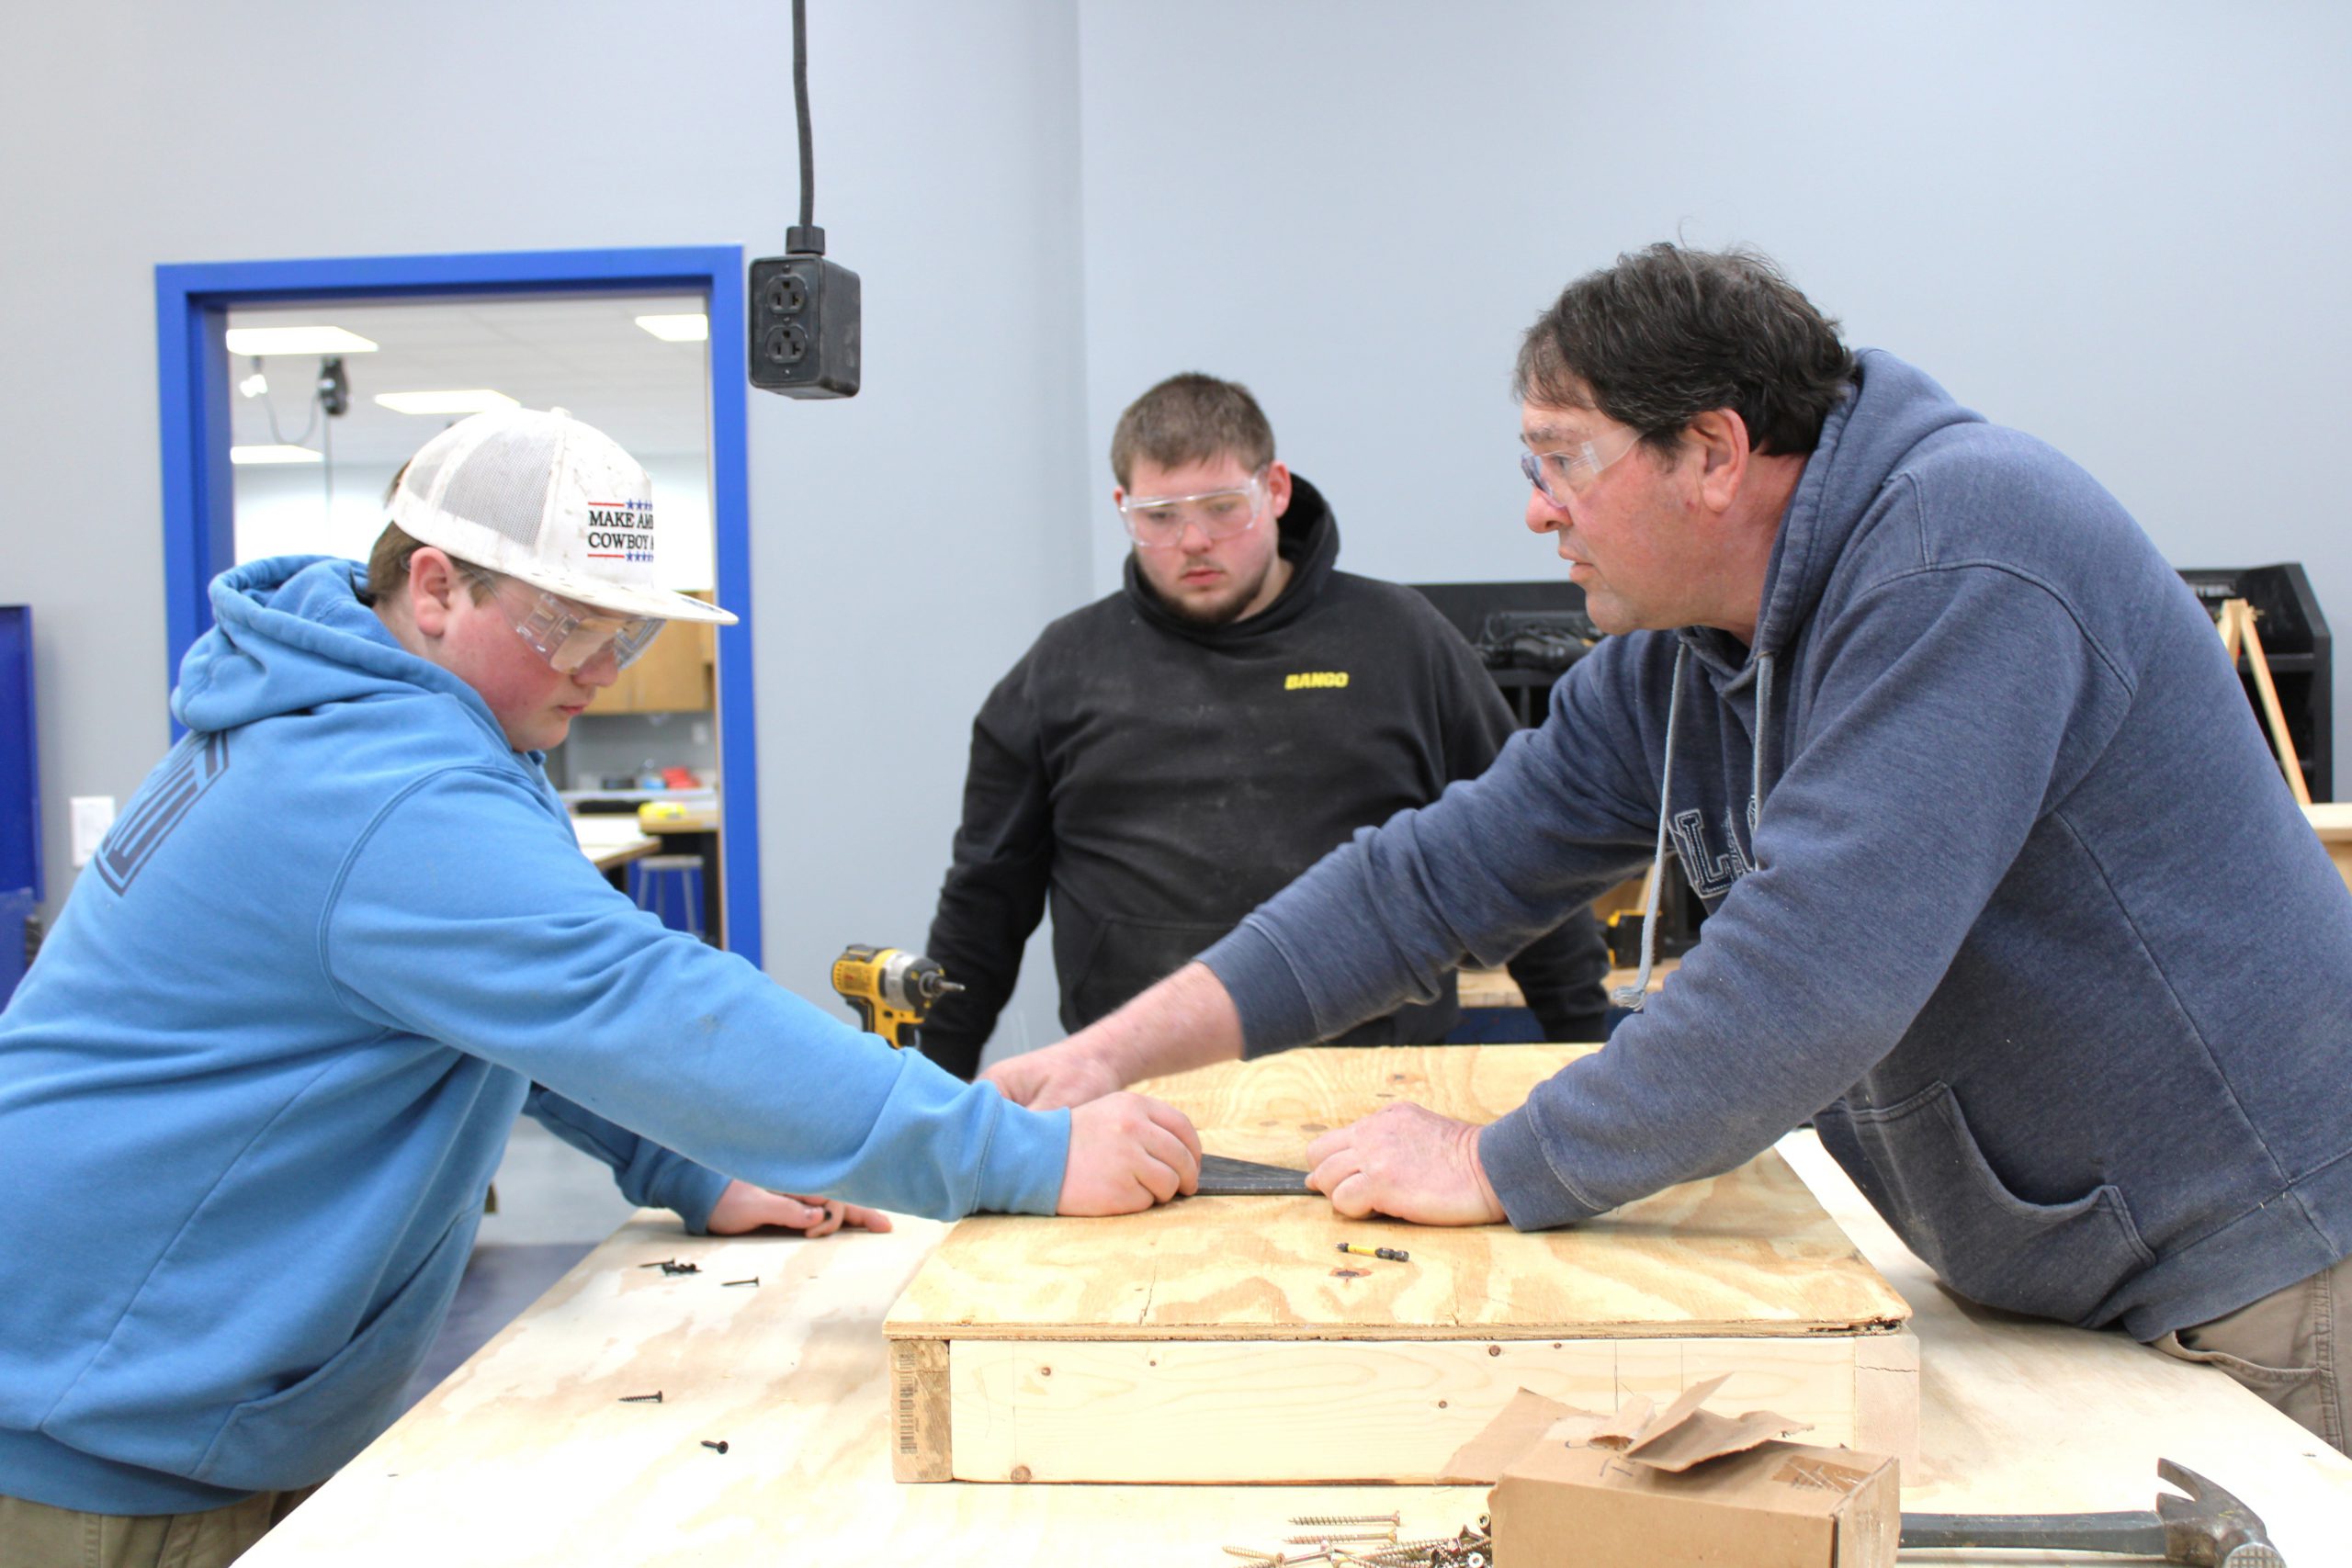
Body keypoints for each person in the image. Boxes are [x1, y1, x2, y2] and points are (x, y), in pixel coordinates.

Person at [986, 247, 2352, 1452]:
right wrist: (1113, 1051)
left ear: (1711, 450)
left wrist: (1494, 1161)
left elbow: (1812, 969)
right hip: (2072, 1279)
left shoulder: (1962, 554)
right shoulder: (1687, 653)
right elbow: (1432, 876)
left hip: (2262, 1277)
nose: (1536, 508)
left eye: (1561, 458)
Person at [0, 408, 1202, 1565]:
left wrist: (684, 1165)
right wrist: (1016, 1153)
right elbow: (647, 1006)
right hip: (105, 1416)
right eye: (570, 626)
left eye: (623, 634)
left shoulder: (358, 716)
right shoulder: (382, 787)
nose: (597, 670)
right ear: (434, 588)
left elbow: (504, 1009)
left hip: (137, 1369)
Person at [921, 373, 1610, 1078]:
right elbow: (984, 906)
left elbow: (1524, 852)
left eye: (1223, 508)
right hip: (1132, 1085)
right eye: (1158, 516)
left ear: (1275, 488)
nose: (1192, 541)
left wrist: (1588, 1045)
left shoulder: (1401, 641)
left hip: (1380, 1078)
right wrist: (917, 1111)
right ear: (1123, 507)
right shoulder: (1059, 670)